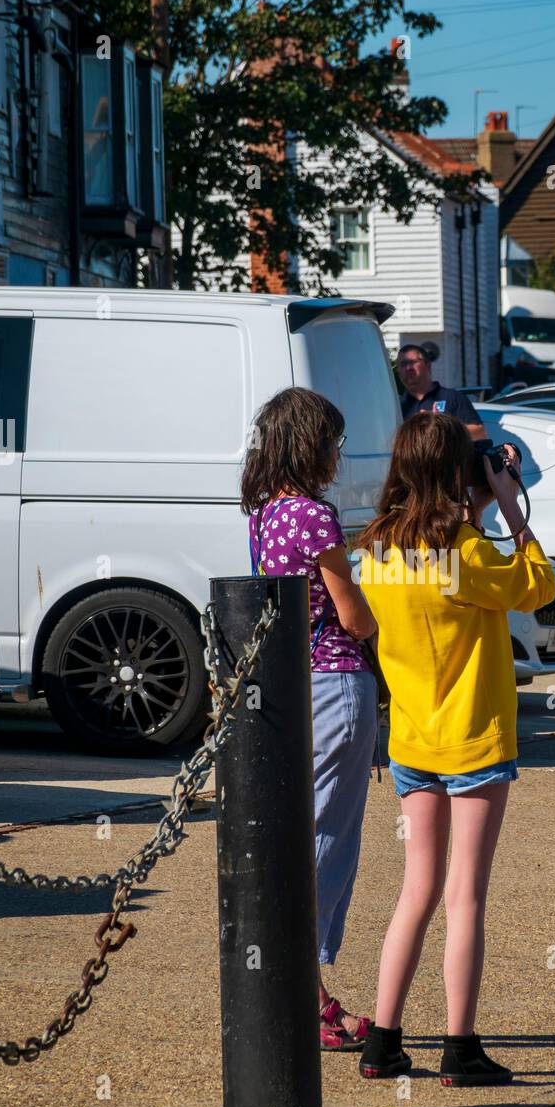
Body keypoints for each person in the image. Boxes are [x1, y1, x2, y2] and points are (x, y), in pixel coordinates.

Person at [354, 410, 555, 1086]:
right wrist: (507, 503)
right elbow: (541, 585)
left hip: (412, 738)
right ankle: (460, 1047)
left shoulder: (376, 550)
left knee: (417, 890)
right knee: (465, 895)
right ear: (456, 474)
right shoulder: (467, 555)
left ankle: (382, 1040)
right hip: (473, 740)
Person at [240, 389, 379, 1052]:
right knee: (328, 840)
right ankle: (304, 981)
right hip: (336, 681)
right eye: (332, 441)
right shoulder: (316, 516)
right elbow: (351, 615)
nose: (336, 454)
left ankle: (304, 988)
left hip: (288, 685)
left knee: (298, 833)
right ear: (311, 445)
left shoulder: (264, 514)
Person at [396, 343, 488, 440]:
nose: (408, 368)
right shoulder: (398, 406)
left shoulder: (452, 397)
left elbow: (480, 433)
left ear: (428, 365)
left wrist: (441, 427)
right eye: (403, 364)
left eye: (413, 362)